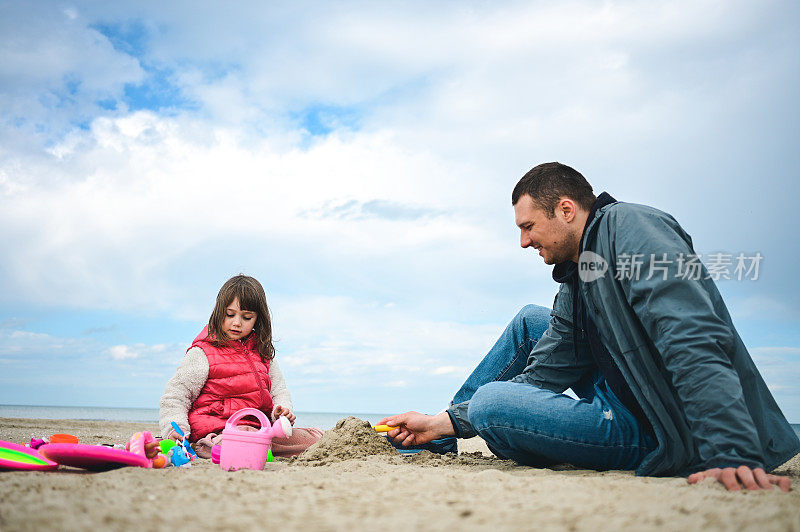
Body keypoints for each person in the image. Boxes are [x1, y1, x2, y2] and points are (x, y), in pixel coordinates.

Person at [382, 162, 799, 492]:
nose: (523, 242)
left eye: (528, 227)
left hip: (660, 428)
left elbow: (693, 341)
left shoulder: (634, 229)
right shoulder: (578, 272)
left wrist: (732, 452)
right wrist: (448, 421)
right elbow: (545, 373)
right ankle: (440, 432)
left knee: (492, 402)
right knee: (531, 320)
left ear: (566, 209)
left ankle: (485, 421)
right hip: (625, 387)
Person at [159, 274, 322, 457]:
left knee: (316, 440)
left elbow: (279, 391)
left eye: (246, 317)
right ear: (219, 311)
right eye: (230, 314)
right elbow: (176, 395)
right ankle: (215, 447)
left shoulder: (264, 354)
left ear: (257, 320)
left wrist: (281, 412)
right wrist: (177, 430)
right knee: (238, 439)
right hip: (219, 430)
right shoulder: (203, 352)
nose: (236, 323)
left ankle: (258, 446)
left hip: (261, 430)